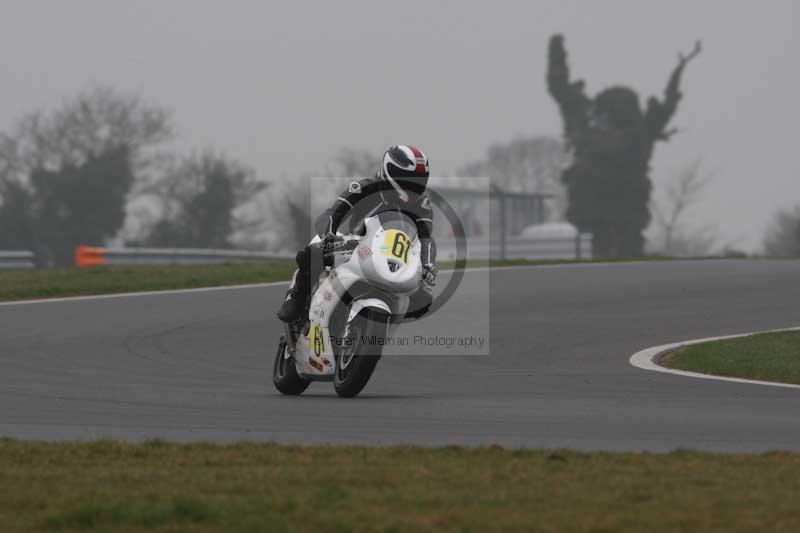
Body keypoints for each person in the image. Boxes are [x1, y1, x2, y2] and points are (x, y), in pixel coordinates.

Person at [277, 144, 438, 322]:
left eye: (420, 181)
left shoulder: (422, 205)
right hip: (352, 244)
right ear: (390, 171)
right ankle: (296, 296)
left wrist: (428, 266)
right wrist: (329, 236)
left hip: (392, 255)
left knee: (423, 300)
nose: (415, 187)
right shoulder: (363, 188)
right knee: (315, 247)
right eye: (410, 180)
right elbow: (331, 214)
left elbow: (425, 239)